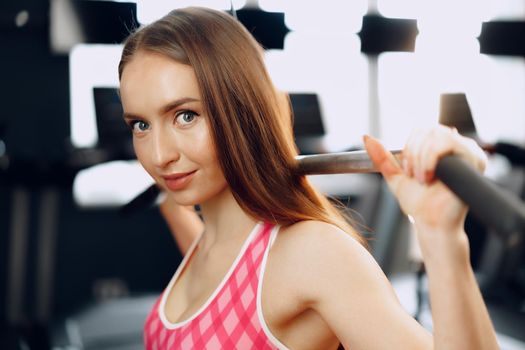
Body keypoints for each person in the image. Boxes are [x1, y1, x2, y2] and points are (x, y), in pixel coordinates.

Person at [118, 6, 499, 350]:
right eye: (141, 125)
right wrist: (169, 203)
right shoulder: (213, 244)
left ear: (241, 111)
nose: (158, 155)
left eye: (185, 116)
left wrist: (441, 235)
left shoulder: (310, 252)